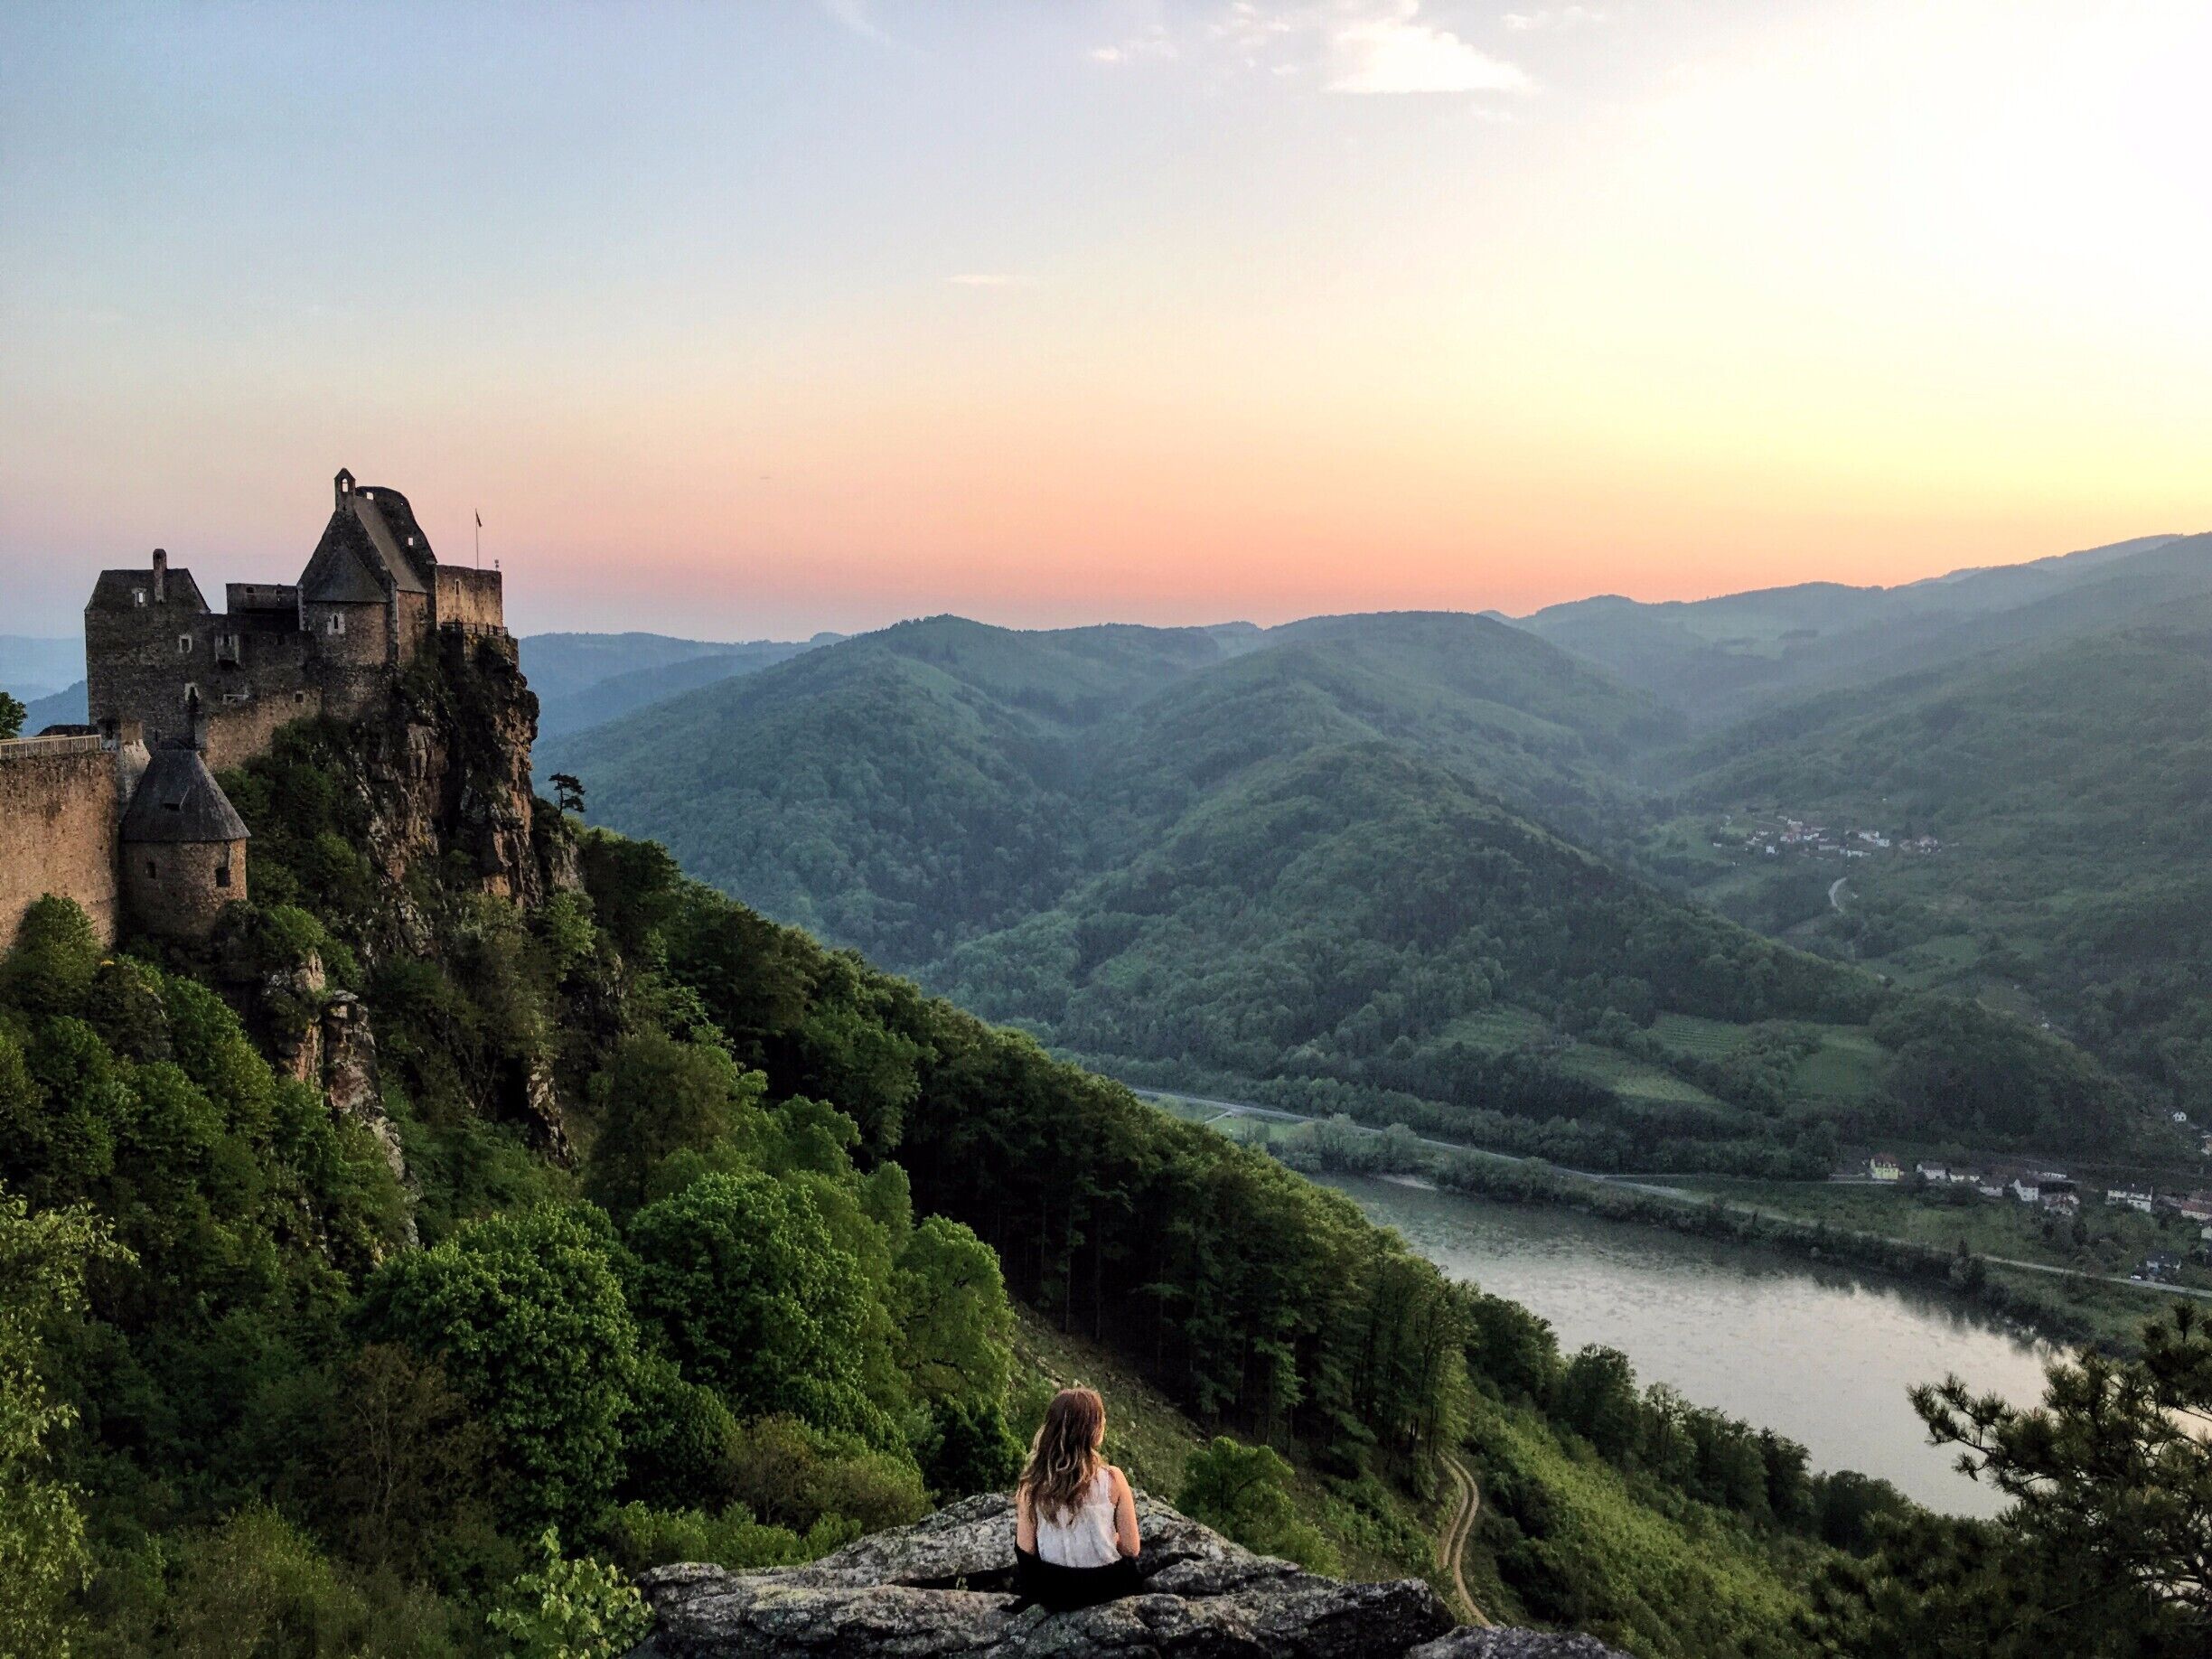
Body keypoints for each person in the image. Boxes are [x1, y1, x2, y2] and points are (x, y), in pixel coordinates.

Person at [1013, 1386, 1143, 1611]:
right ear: (1093, 1430)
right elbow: (1132, 1548)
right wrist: (1109, 1541)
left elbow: (1026, 1551)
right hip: (1106, 1587)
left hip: (1054, 1591)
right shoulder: (1113, 1478)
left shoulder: (1032, 1485)